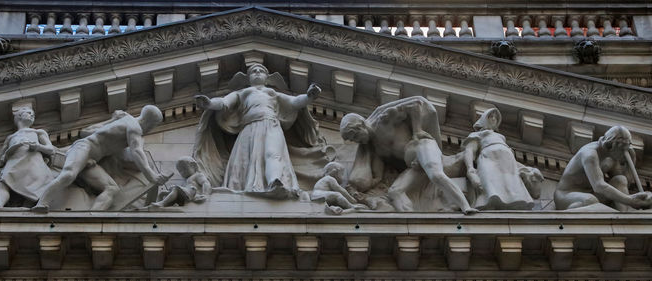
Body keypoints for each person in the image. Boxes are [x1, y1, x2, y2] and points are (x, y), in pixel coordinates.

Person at [193, 63, 325, 199]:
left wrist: (309, 97)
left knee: (273, 153)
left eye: (261, 71)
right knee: (245, 160)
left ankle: (275, 181)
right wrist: (209, 103)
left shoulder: (272, 93)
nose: (257, 72)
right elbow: (224, 102)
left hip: (271, 125)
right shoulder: (243, 93)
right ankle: (243, 187)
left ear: (267, 78)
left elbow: (293, 102)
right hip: (249, 128)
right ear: (248, 78)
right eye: (253, 71)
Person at [341, 96, 476, 214]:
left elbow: (415, 103)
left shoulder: (383, 119)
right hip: (414, 165)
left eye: (355, 135)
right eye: (353, 139)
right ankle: (413, 225)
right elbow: (378, 176)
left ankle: (466, 207)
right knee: (394, 192)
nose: (356, 141)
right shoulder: (374, 149)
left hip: (421, 146)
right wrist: (359, 192)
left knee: (436, 175)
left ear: (361, 125)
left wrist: (417, 130)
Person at [32, 105, 166, 212]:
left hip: (91, 162)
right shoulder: (134, 127)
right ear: (150, 122)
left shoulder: (125, 121)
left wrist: (112, 121)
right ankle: (42, 203)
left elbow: (86, 131)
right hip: (83, 148)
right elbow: (137, 152)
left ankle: (92, 217)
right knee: (68, 175)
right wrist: (151, 176)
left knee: (112, 189)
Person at [0, 107, 57, 210]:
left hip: (33, 164)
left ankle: (33, 206)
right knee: (4, 183)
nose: (32, 115)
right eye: (28, 113)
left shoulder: (38, 132)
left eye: (33, 114)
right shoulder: (10, 138)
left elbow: (51, 150)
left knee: (36, 186)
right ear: (19, 116)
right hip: (13, 164)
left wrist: (37, 146)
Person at [460, 107, 543, 210]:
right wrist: (470, 170)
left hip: (507, 165)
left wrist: (526, 169)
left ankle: (514, 202)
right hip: (489, 161)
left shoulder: (501, 137)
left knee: (511, 187)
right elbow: (469, 151)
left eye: (495, 117)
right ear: (484, 119)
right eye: (491, 117)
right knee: (491, 188)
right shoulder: (478, 134)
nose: (494, 119)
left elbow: (512, 160)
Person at [554, 125, 652, 211]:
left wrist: (632, 160)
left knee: (620, 179)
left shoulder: (612, 156)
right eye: (623, 149)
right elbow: (599, 186)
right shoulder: (590, 155)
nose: (624, 153)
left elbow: (624, 183)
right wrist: (630, 200)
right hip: (567, 195)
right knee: (590, 200)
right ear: (612, 145)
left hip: (592, 194)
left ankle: (623, 218)